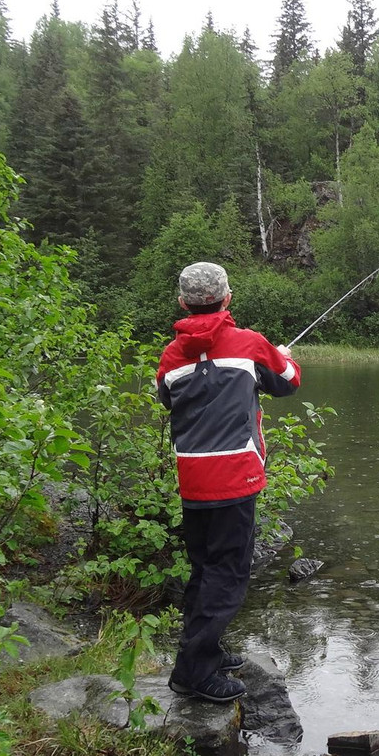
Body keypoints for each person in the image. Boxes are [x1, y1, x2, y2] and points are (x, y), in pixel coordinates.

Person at [156, 261, 300, 703]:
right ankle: (193, 672)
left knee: (204, 568)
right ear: (227, 298)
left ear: (183, 303)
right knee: (228, 575)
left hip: (192, 478)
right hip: (236, 477)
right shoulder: (249, 343)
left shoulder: (170, 356)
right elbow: (289, 382)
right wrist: (283, 357)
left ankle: (206, 651)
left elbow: (166, 399)